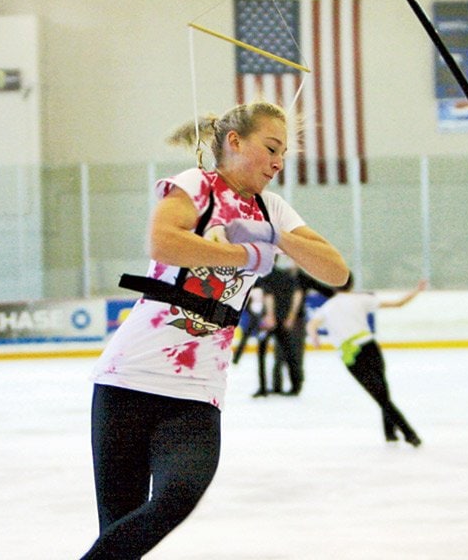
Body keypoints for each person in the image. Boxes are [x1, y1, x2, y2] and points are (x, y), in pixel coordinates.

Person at [81, 101, 348, 560]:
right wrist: (245, 256)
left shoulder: (273, 208)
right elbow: (163, 241)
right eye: (270, 148)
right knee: (122, 527)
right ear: (234, 141)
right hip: (129, 378)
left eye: (283, 152)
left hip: (198, 389)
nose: (278, 162)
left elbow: (336, 270)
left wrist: (274, 238)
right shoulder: (195, 185)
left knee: (176, 498)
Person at [307, 275, 426, 447]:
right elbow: (398, 304)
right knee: (383, 393)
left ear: (333, 286)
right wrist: (417, 291)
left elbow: (311, 325)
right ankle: (393, 433)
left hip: (352, 356)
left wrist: (314, 338)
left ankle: (407, 434)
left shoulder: (328, 306)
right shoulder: (361, 299)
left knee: (380, 396)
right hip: (370, 348)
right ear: (352, 284)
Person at [256, 259, 306, 395]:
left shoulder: (265, 276)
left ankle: (263, 387)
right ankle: (296, 385)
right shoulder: (287, 275)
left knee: (262, 353)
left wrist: (270, 315)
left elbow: (268, 296)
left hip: (270, 320)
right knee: (289, 352)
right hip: (284, 319)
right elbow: (297, 294)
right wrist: (291, 316)